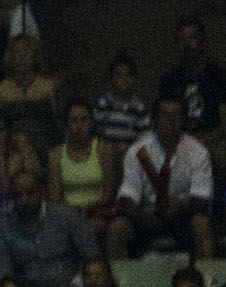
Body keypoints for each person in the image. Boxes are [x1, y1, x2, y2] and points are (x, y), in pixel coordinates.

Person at [106, 96, 214, 260]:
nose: (170, 120)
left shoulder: (198, 152)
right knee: (118, 227)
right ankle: (117, 285)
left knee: (201, 223)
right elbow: (126, 198)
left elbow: (203, 199)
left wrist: (180, 205)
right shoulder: (137, 151)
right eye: (164, 114)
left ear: (184, 120)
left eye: (176, 115)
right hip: (146, 215)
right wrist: (143, 216)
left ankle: (207, 282)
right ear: (154, 120)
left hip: (182, 216)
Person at [0, 163, 97, 287]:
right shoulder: (3, 226)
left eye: (30, 193)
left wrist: (76, 285)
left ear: (41, 193)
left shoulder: (65, 217)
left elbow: (92, 255)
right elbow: (3, 272)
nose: (25, 200)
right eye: (18, 195)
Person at [157, 17, 226, 176]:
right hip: (178, 139)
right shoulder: (169, 79)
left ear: (202, 41)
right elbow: (163, 118)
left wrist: (204, 141)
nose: (187, 44)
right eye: (182, 39)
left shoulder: (221, 77)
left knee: (223, 154)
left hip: (212, 139)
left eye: (192, 38)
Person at [0, 36, 61, 165]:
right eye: (17, 52)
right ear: (10, 57)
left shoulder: (48, 87)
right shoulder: (0, 90)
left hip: (46, 148)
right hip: (13, 152)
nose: (22, 56)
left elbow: (57, 123)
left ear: (34, 56)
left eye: (26, 51)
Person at [46, 100, 117, 223]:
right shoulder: (55, 155)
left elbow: (109, 195)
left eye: (84, 119)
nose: (79, 125)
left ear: (91, 122)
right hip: (66, 217)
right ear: (66, 124)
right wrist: (74, 214)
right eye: (73, 120)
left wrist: (89, 211)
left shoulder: (104, 151)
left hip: (99, 215)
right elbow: (55, 199)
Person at [93, 56, 151, 151]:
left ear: (134, 79)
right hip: (104, 158)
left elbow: (145, 140)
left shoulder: (139, 110)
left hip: (129, 159)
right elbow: (94, 136)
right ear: (112, 78)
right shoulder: (101, 106)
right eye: (119, 75)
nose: (124, 79)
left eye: (128, 75)